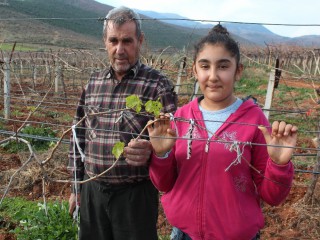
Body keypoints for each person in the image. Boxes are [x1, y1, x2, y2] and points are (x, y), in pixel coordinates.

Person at [147, 24, 298, 240]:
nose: (213, 76)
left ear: (238, 71)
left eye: (223, 66)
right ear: (194, 70)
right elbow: (164, 184)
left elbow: (272, 196)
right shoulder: (179, 118)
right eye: (205, 66)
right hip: (184, 234)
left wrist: (279, 165)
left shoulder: (254, 121)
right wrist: (161, 155)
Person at [67, 6, 177, 240]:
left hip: (134, 197)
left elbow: (174, 143)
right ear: (104, 41)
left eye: (127, 41)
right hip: (92, 192)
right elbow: (78, 138)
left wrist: (153, 151)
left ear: (140, 40)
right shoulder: (93, 84)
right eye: (113, 40)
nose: (119, 50)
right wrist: (76, 189)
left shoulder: (157, 85)